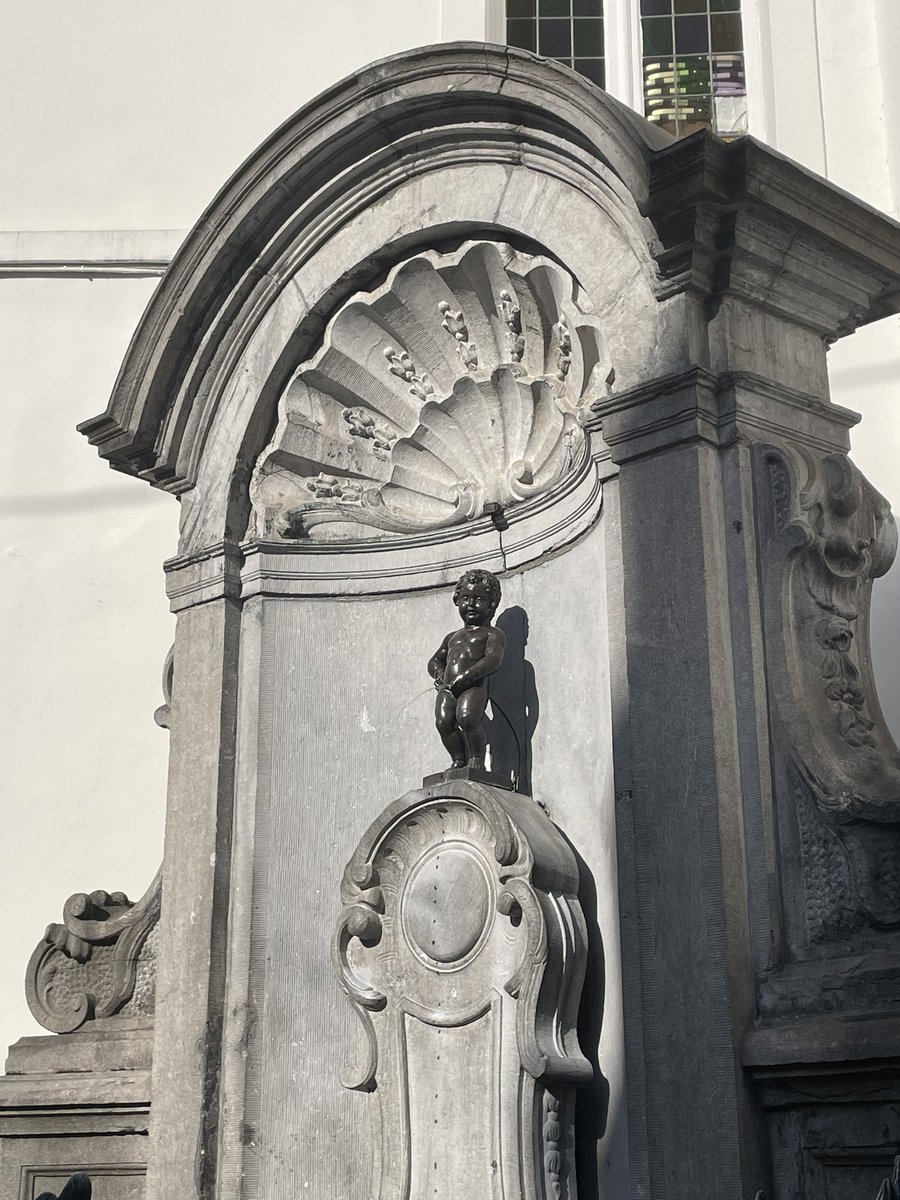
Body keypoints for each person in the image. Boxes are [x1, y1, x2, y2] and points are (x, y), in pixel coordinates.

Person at [428, 570, 506, 770]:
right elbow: (435, 660)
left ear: (492, 604)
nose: (470, 604)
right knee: (443, 723)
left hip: (473, 686)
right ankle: (459, 759)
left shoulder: (492, 634)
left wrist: (467, 677)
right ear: (457, 601)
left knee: (468, 717)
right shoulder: (452, 637)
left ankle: (476, 759)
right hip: (448, 688)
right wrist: (439, 674)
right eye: (465, 598)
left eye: (478, 599)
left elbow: (493, 659)